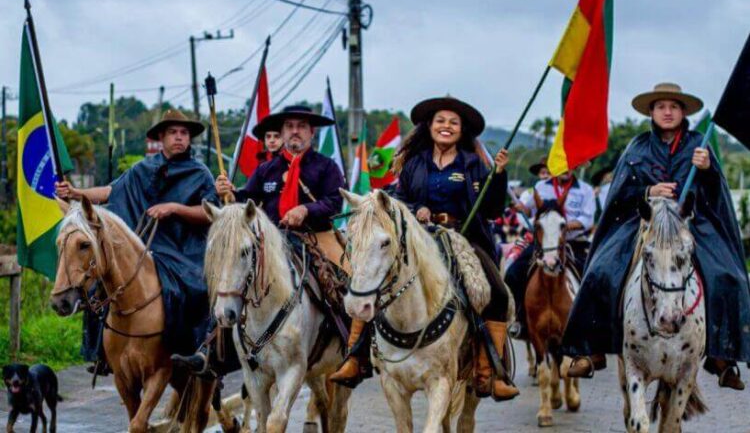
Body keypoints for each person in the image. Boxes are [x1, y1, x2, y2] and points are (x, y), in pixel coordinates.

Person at [562, 83, 750, 390]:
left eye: (673, 107)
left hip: (691, 224)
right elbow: (619, 195)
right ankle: (591, 349)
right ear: (651, 112)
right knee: (599, 270)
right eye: (660, 106)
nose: (667, 112)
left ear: (683, 112)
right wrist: (648, 191)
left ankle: (722, 356)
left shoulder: (699, 146)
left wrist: (708, 171)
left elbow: (717, 197)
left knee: (728, 276)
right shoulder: (636, 147)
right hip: (643, 224)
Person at [332, 96, 519, 400]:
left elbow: (493, 209)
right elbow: (397, 198)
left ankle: (491, 372)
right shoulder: (413, 163)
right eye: (441, 121)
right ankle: (356, 357)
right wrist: (417, 207)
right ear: (430, 126)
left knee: (495, 292)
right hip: (417, 238)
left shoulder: (473, 164)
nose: (446, 126)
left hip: (463, 238)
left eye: (453, 123)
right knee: (370, 277)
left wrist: (498, 176)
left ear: (462, 130)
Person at [173, 104, 346, 373]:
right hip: (272, 242)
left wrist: (306, 209)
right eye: (290, 127)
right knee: (229, 280)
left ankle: (354, 349)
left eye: (301, 127)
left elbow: (336, 201)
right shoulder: (268, 169)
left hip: (316, 237)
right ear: (283, 132)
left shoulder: (326, 167)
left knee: (345, 279)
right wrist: (228, 192)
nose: (295, 132)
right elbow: (245, 200)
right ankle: (210, 350)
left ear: (312, 132)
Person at [55, 110, 217, 374]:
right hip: (145, 245)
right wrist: (76, 193)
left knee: (197, 289)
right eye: (173, 132)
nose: (179, 137)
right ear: (161, 138)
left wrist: (174, 208)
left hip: (184, 250)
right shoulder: (143, 168)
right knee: (100, 286)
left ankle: (198, 352)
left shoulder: (200, 173)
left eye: (184, 133)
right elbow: (111, 191)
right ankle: (102, 354)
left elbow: (210, 211)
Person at [505, 167, 595, 338]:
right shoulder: (540, 186)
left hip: (574, 242)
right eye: (562, 164)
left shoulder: (585, 190)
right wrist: (523, 210)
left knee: (594, 277)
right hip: (543, 243)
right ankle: (518, 318)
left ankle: (590, 325)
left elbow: (588, 218)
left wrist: (564, 226)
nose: (566, 169)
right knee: (513, 273)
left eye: (570, 165)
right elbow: (528, 211)